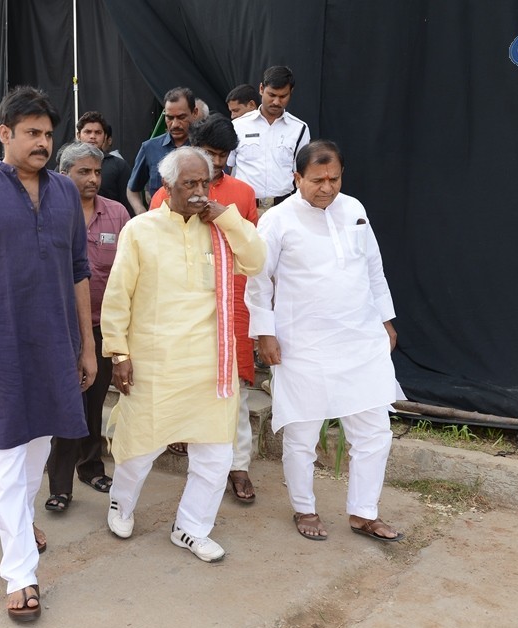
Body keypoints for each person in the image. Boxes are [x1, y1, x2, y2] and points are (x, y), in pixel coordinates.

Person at [0, 86, 97, 622]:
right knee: (3, 454)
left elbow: (79, 270)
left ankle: (17, 523)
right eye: (31, 133)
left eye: (49, 134)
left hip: (55, 343)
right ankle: (21, 574)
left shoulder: (62, 193)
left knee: (36, 449)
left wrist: (87, 345)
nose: (42, 143)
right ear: (4, 133)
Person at [101, 146, 266, 561]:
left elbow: (257, 259)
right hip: (157, 361)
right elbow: (118, 294)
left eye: (204, 183)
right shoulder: (141, 229)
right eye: (188, 184)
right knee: (139, 448)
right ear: (166, 187)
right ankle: (121, 503)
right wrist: (118, 353)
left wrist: (226, 216)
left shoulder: (222, 229)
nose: (198, 192)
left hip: (212, 363)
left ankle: (191, 528)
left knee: (215, 452)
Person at [245, 140, 405, 543]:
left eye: (334, 178)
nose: (327, 187)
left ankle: (363, 512)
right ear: (297, 177)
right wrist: (265, 333)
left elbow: (374, 269)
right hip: (303, 341)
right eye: (318, 180)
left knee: (374, 430)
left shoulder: (354, 210)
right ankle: (304, 508)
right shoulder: (278, 220)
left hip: (359, 337)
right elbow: (259, 282)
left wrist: (386, 320)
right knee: (302, 433)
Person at [149, 114, 261, 503]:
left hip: (233, 301)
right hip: (184, 305)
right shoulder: (166, 194)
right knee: (187, 377)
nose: (215, 163)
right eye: (209, 153)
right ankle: (183, 438)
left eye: (223, 155)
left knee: (237, 388)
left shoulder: (243, 193)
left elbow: (252, 251)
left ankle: (239, 467)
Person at [43, 142, 129, 512]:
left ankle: (91, 466)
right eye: (84, 172)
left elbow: (128, 273)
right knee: (66, 405)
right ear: (64, 174)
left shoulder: (118, 215)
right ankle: (59, 485)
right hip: (60, 328)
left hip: (103, 326)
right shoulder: (47, 213)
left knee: (95, 403)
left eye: (97, 171)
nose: (94, 179)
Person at [229, 66, 310, 215]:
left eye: (283, 96)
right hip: (245, 209)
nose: (276, 102)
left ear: (291, 93)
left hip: (285, 209)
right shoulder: (237, 126)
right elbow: (228, 168)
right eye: (271, 95)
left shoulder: (300, 129)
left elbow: (303, 173)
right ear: (261, 89)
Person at [126, 87, 198, 215]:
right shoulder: (149, 148)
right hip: (158, 223)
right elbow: (132, 189)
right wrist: (140, 211)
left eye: (181, 117)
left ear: (194, 113)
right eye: (169, 118)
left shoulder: (204, 147)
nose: (175, 124)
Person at [76, 111, 133, 215]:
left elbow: (129, 206)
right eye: (87, 132)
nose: (92, 136)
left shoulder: (119, 166)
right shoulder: (68, 164)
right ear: (78, 135)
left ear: (105, 137)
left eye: (98, 132)